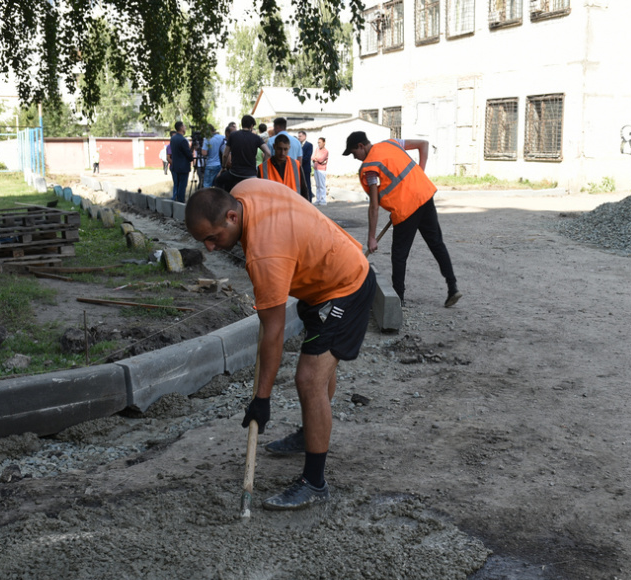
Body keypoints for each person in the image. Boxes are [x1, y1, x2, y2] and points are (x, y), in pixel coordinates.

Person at [184, 181, 377, 510]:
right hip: (323, 279)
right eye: (204, 241)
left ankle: (314, 483)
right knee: (318, 367)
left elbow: (272, 333)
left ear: (232, 216)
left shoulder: (264, 254)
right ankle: (309, 435)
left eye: (213, 238)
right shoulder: (245, 189)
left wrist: (262, 398)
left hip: (345, 286)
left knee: (309, 378)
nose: (211, 249)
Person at [344, 131, 462, 308]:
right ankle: (452, 287)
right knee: (436, 243)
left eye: (354, 153)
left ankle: (398, 299)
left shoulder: (370, 168)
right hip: (424, 196)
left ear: (361, 146)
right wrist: (419, 176)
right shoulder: (392, 143)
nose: (355, 158)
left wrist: (371, 237)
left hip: (406, 209)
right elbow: (424, 144)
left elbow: (374, 207)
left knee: (399, 255)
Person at [216, 114, 270, 192]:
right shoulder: (256, 138)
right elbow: (268, 153)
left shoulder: (233, 135)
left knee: (218, 181)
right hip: (251, 175)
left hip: (234, 173)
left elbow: (225, 155)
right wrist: (262, 169)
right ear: (251, 126)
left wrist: (223, 168)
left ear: (242, 124)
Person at [168, 121, 193, 202]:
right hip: (183, 167)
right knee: (182, 186)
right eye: (184, 126)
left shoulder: (173, 138)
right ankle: (181, 202)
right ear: (181, 128)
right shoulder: (183, 140)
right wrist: (191, 155)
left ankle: (177, 201)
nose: (185, 128)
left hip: (175, 166)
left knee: (177, 185)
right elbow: (188, 155)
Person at [202, 125, 224, 190]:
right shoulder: (222, 137)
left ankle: (206, 199)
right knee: (219, 186)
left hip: (211, 165)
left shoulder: (207, 139)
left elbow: (204, 153)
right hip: (221, 165)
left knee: (207, 185)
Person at [312, 137, 329, 205]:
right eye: (318, 142)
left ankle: (323, 200)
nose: (318, 144)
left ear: (324, 143)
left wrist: (317, 159)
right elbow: (312, 157)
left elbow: (321, 159)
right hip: (316, 169)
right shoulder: (317, 149)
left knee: (322, 185)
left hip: (322, 170)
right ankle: (318, 199)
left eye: (320, 142)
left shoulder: (326, 151)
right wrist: (316, 159)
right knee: (317, 185)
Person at [298, 131, 314, 202]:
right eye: (298, 136)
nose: (299, 138)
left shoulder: (309, 145)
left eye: (300, 136)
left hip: (305, 168)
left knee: (307, 185)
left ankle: (309, 200)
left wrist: (299, 161)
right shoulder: (299, 145)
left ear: (305, 136)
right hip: (300, 168)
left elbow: (307, 157)